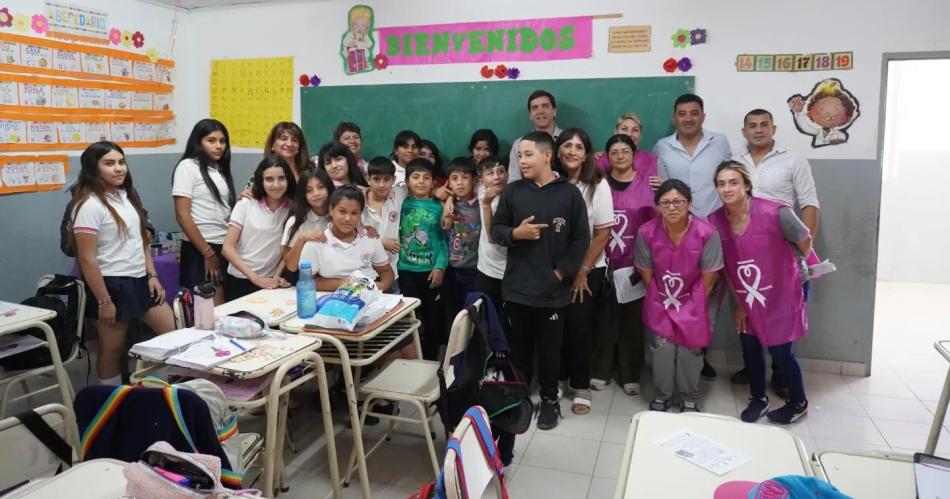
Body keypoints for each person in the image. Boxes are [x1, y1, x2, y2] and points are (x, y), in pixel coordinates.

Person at [491, 131, 589, 430]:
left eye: (528, 154)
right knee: (518, 348)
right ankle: (519, 400)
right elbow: (497, 230)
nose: (522, 160)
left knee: (550, 351)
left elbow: (581, 238)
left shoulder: (569, 194)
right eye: (519, 155)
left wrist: (561, 273)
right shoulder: (513, 192)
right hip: (518, 288)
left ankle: (549, 400)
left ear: (547, 156)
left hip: (553, 291)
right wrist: (515, 234)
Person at [709, 161, 811, 424]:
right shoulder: (715, 221)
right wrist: (740, 303)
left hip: (784, 292)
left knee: (780, 351)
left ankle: (798, 402)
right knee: (750, 346)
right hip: (748, 294)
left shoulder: (776, 212)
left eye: (733, 182)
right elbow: (727, 268)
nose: (727, 189)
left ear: (746, 185)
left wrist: (793, 269)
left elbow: (804, 239)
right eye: (721, 184)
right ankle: (758, 398)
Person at [731, 108, 821, 390]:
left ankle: (781, 373)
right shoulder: (734, 162)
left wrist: (802, 248)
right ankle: (752, 367)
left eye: (763, 125)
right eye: (752, 126)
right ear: (744, 131)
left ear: (774, 128)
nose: (758, 130)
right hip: (746, 251)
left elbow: (809, 203)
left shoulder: (792, 160)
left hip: (782, 250)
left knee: (781, 314)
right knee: (748, 307)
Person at [72, 141, 175, 385]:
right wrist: (104, 301)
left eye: (121, 162)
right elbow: (87, 259)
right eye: (109, 163)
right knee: (112, 349)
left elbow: (142, 241)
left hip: (140, 279)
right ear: (93, 169)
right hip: (111, 285)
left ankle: (154, 388)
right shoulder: (88, 205)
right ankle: (112, 402)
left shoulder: (125, 196)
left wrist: (152, 275)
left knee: (174, 334)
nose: (119, 168)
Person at [655, 93, 732, 381]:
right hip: (675, 235)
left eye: (694, 112)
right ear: (674, 117)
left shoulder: (720, 143)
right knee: (677, 295)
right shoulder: (662, 147)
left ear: (702, 115)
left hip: (711, 233)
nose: (688, 118)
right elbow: (659, 190)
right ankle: (676, 355)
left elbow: (729, 179)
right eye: (682, 113)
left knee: (708, 297)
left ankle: (700, 354)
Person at [635, 179, 722, 412]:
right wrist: (664, 302)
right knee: (661, 347)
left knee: (689, 349)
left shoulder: (707, 233)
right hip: (660, 296)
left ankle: (689, 397)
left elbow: (709, 279)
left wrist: (687, 308)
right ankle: (663, 395)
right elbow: (646, 273)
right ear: (657, 207)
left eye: (678, 201)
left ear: (690, 204)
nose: (672, 207)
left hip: (696, 299)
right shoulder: (646, 232)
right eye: (665, 203)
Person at [552, 128, 614, 416]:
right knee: (554, 328)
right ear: (558, 150)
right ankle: (559, 379)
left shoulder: (597, 184)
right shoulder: (549, 182)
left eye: (579, 147)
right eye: (567, 145)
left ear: (587, 154)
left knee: (579, 330)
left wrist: (582, 270)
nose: (572, 151)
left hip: (587, 270)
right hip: (554, 271)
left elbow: (602, 233)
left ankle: (581, 385)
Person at [594, 134, 655, 397]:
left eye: (625, 151)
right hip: (603, 261)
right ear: (607, 156)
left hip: (635, 264)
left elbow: (656, 228)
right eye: (614, 152)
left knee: (632, 321)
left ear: (634, 154)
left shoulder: (649, 186)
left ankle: (630, 372)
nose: (619, 156)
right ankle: (601, 369)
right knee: (603, 319)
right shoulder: (598, 184)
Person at [172, 119, 236, 305]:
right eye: (211, 140)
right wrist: (207, 254)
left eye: (222, 141)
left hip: (221, 244)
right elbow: (182, 215)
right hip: (201, 247)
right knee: (209, 312)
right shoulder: (188, 167)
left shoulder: (217, 169)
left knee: (224, 306)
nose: (218, 146)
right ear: (198, 142)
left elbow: (218, 208)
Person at [222, 156, 296, 301]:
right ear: (260, 181)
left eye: (281, 178)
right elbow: (227, 248)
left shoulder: (293, 208)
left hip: (271, 282)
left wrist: (277, 275)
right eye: (269, 179)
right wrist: (255, 279)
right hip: (241, 279)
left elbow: (288, 249)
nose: (276, 184)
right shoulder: (246, 203)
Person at [398, 158, 449, 361]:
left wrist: (440, 266)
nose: (421, 181)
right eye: (416, 177)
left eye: (426, 177)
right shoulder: (401, 204)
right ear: (407, 181)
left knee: (432, 318)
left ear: (433, 181)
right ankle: (411, 358)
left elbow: (445, 239)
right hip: (405, 271)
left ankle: (431, 359)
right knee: (409, 319)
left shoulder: (439, 206)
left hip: (430, 272)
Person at [299, 186, 395, 292]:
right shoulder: (315, 243)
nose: (348, 219)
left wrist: (383, 285)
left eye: (354, 213)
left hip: (371, 294)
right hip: (332, 299)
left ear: (360, 214)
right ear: (331, 210)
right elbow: (307, 281)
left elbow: (386, 271)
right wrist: (349, 284)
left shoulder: (370, 237)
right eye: (342, 211)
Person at [473, 156, 511, 337]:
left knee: (506, 325)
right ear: (481, 179)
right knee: (484, 322)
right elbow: (455, 188)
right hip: (485, 270)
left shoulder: (512, 199)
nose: (496, 177)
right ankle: (488, 362)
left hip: (509, 273)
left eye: (501, 171)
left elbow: (493, 237)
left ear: (508, 175)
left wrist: (487, 205)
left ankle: (507, 362)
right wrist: (447, 200)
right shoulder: (481, 189)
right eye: (490, 173)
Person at [441, 157, 481, 319]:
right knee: (453, 313)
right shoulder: (445, 204)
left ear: (474, 180)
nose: (460, 183)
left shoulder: (482, 204)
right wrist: (448, 201)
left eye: (465, 178)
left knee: (473, 313)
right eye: (454, 178)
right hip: (450, 268)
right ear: (448, 182)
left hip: (474, 269)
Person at [281, 168, 335, 280]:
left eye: (320, 187)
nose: (316, 193)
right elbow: (291, 266)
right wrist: (302, 238)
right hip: (304, 279)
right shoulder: (295, 221)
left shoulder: (339, 216)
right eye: (309, 190)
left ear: (329, 188)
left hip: (334, 274)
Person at [362, 156, 407, 282]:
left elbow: (423, 187)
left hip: (392, 269)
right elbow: (352, 236)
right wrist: (381, 243)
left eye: (386, 179)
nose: (381, 185)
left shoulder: (398, 194)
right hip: (365, 270)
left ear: (394, 180)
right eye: (376, 179)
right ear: (368, 179)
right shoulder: (358, 202)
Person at [508, 90, 562, 182]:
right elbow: (514, 181)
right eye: (535, 108)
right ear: (530, 115)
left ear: (554, 111)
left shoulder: (568, 140)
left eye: (545, 106)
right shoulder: (519, 144)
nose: (540, 111)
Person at [594, 113, 659, 180]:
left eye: (635, 130)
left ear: (640, 136)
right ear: (615, 132)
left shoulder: (652, 161)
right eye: (624, 129)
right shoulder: (600, 160)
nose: (629, 134)